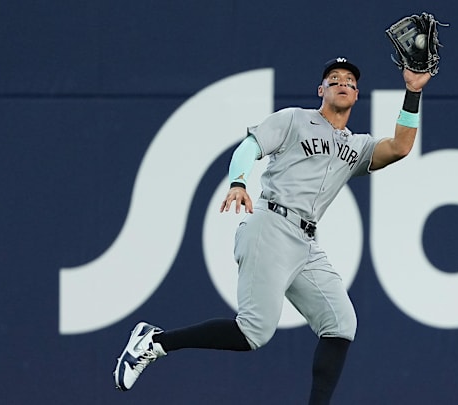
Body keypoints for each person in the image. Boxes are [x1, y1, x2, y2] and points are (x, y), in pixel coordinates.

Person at [114, 57, 433, 404]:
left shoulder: (356, 147)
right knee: (253, 332)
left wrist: (412, 92)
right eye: (334, 78)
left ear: (356, 95)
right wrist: (238, 181)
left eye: (350, 81)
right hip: (271, 223)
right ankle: (154, 342)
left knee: (341, 324)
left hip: (305, 242)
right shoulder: (295, 119)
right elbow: (250, 146)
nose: (343, 83)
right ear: (321, 90)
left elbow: (400, 147)